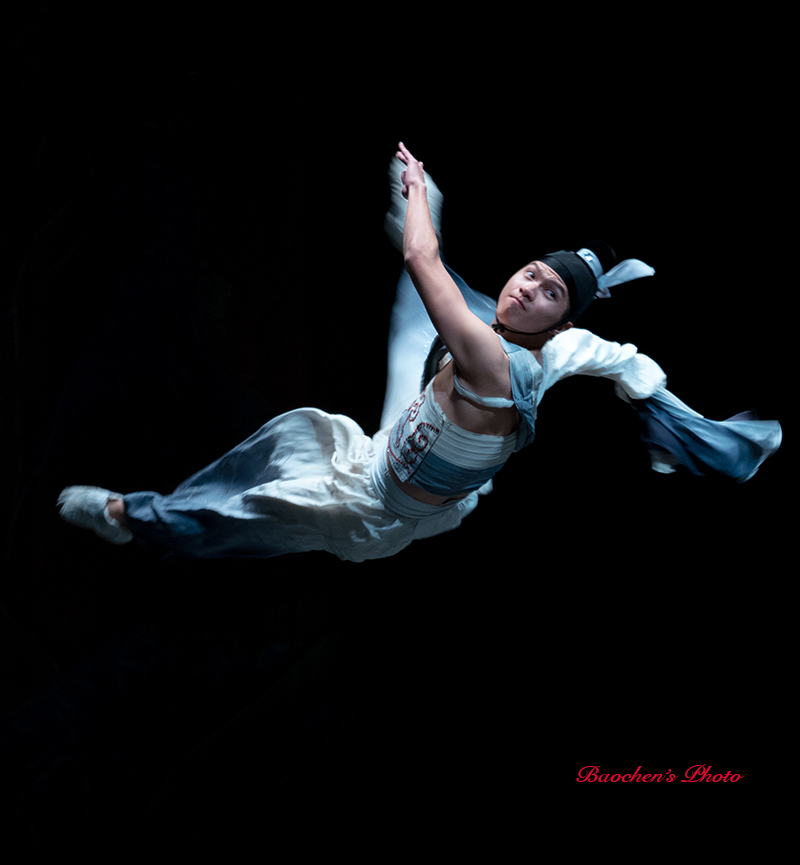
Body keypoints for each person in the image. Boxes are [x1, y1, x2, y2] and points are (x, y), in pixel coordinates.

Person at [58, 143, 782, 562]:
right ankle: (420, 219)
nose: (529, 287)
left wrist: (415, 194)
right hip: (414, 449)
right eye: (533, 272)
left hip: (374, 505)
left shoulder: (495, 355)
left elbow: (420, 259)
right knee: (424, 321)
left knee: (259, 499)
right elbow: (619, 357)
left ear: (558, 321)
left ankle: (131, 517)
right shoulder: (563, 345)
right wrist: (658, 406)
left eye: (550, 293)